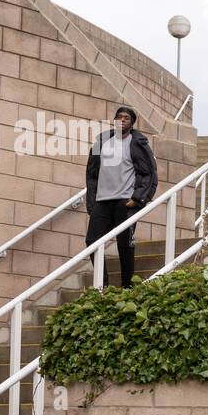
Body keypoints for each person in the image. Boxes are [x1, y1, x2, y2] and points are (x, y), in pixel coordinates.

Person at [85, 105, 158, 288]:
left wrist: (139, 198)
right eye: (119, 117)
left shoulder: (138, 143)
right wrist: (92, 200)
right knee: (92, 241)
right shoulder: (101, 141)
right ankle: (103, 285)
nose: (122, 120)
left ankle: (127, 286)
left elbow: (149, 173)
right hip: (102, 200)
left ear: (132, 123)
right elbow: (91, 173)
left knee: (124, 244)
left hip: (125, 201)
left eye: (126, 117)